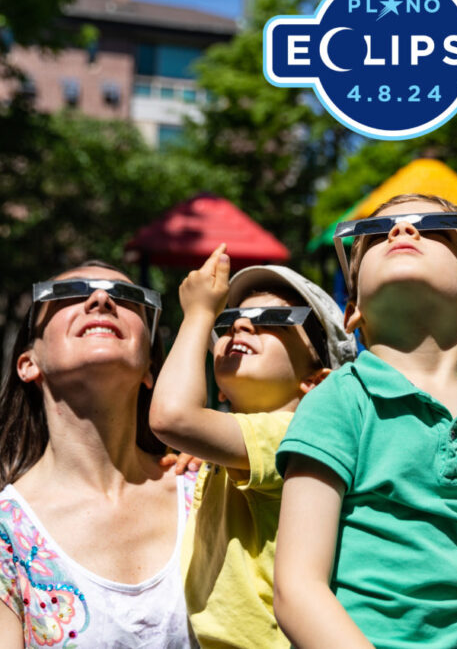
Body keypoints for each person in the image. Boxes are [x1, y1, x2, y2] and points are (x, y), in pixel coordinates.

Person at [272, 194, 457, 648]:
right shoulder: (339, 398)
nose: (402, 231)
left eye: (436, 227)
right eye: (376, 235)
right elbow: (297, 586)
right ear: (353, 312)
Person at [0, 261, 195, 647]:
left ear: (150, 368)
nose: (102, 299)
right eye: (68, 294)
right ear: (28, 363)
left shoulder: (212, 494)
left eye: (127, 296)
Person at [149, 244, 356, 648]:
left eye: (275, 318)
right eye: (227, 320)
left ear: (316, 381)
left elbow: (171, 417)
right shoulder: (234, 450)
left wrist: (198, 314)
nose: (239, 327)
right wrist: (205, 446)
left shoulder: (300, 434)